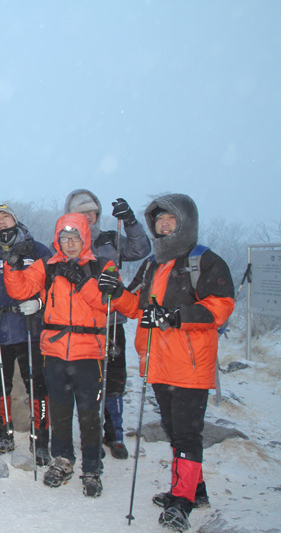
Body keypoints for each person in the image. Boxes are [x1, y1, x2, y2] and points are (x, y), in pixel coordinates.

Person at [101, 194, 234, 531]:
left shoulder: (204, 260)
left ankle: (182, 502)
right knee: (175, 431)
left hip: (190, 363)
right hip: (157, 362)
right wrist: (115, 292)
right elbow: (136, 306)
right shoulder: (153, 264)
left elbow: (220, 306)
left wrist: (176, 316)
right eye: (158, 219)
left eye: (170, 219)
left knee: (187, 435)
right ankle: (194, 490)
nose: (163, 224)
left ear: (185, 222)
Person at [4, 213, 124, 498]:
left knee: (89, 413)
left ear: (85, 239)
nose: (70, 243)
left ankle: (92, 467)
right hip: (55, 350)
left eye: (75, 238)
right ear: (57, 240)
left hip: (89, 351)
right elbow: (19, 289)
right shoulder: (50, 266)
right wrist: (12, 263)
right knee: (59, 410)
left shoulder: (101, 266)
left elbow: (111, 303)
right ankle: (63, 459)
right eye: (64, 238)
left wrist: (83, 281)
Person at [65, 189, 151, 460]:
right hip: (81, 325)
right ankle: (90, 434)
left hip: (112, 321)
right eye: (82, 212)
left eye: (92, 211)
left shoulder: (109, 239)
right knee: (87, 382)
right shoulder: (66, 242)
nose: (88, 216)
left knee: (114, 381)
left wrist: (131, 222)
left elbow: (140, 249)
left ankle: (114, 434)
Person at [0, 203, 52, 465]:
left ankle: (41, 439)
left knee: (37, 385)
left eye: (6, 216)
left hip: (31, 327)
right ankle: (3, 434)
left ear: (16, 221)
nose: (1, 221)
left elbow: (54, 283)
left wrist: (40, 303)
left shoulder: (36, 249)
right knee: (0, 385)